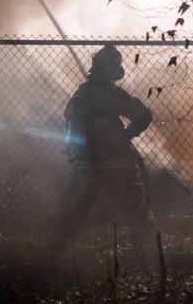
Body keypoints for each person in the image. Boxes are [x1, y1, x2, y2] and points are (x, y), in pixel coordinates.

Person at [55, 45, 155, 243]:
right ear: (114, 71)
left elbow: (71, 123)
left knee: (79, 205)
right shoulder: (114, 94)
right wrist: (127, 135)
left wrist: (77, 152)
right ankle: (145, 245)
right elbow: (145, 115)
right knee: (134, 202)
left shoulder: (81, 94)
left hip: (88, 161)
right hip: (118, 159)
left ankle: (58, 244)